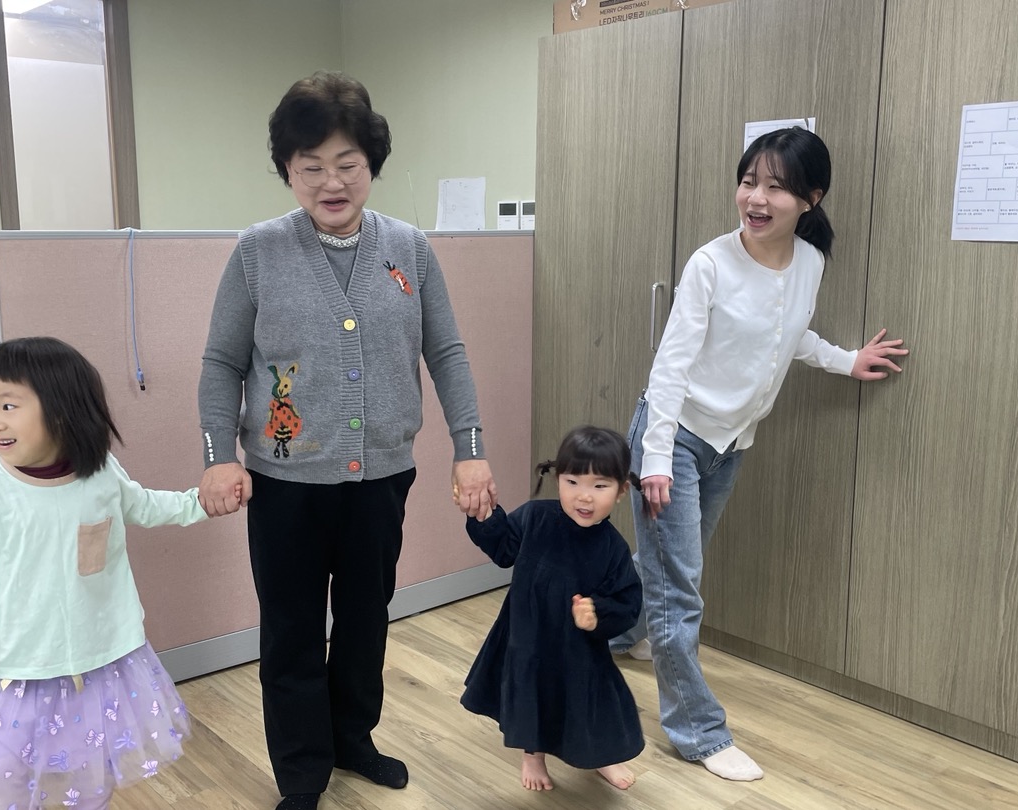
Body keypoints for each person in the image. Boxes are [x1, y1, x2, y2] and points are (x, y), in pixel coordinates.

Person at [196, 71, 498, 810]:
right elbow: (222, 362)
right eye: (311, 167)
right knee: (293, 631)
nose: (331, 183)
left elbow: (447, 352)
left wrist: (470, 447)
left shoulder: (410, 249)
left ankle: (352, 739)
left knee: (366, 621)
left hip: (381, 478)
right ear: (287, 170)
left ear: (371, 164)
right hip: (286, 483)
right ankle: (302, 771)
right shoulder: (259, 251)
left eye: (347, 164)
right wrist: (217, 457)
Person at [610, 128, 909, 781]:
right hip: (674, 438)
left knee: (668, 567)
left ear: (810, 197)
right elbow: (670, 368)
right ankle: (697, 731)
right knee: (679, 588)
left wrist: (846, 360)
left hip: (731, 443)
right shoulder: (710, 264)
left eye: (775, 186)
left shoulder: (809, 261)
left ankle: (611, 631)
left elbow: (787, 334)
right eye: (749, 181)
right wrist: (654, 460)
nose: (756, 197)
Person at [0, 336, 213, 809]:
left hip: (95, 658)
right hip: (14, 664)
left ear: (63, 409)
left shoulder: (101, 474)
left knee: (91, 763)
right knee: (3, 768)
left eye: (8, 405)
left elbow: (147, 506)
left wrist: (203, 503)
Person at [462, 426, 644, 793]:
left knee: (594, 702)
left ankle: (601, 755)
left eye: (599, 486)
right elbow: (504, 549)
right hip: (528, 637)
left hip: (580, 649)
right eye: (572, 482)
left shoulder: (613, 548)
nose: (584, 496)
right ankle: (533, 755)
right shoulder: (536, 517)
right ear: (558, 478)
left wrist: (596, 613)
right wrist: (485, 516)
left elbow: (627, 602)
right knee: (533, 695)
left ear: (622, 491)